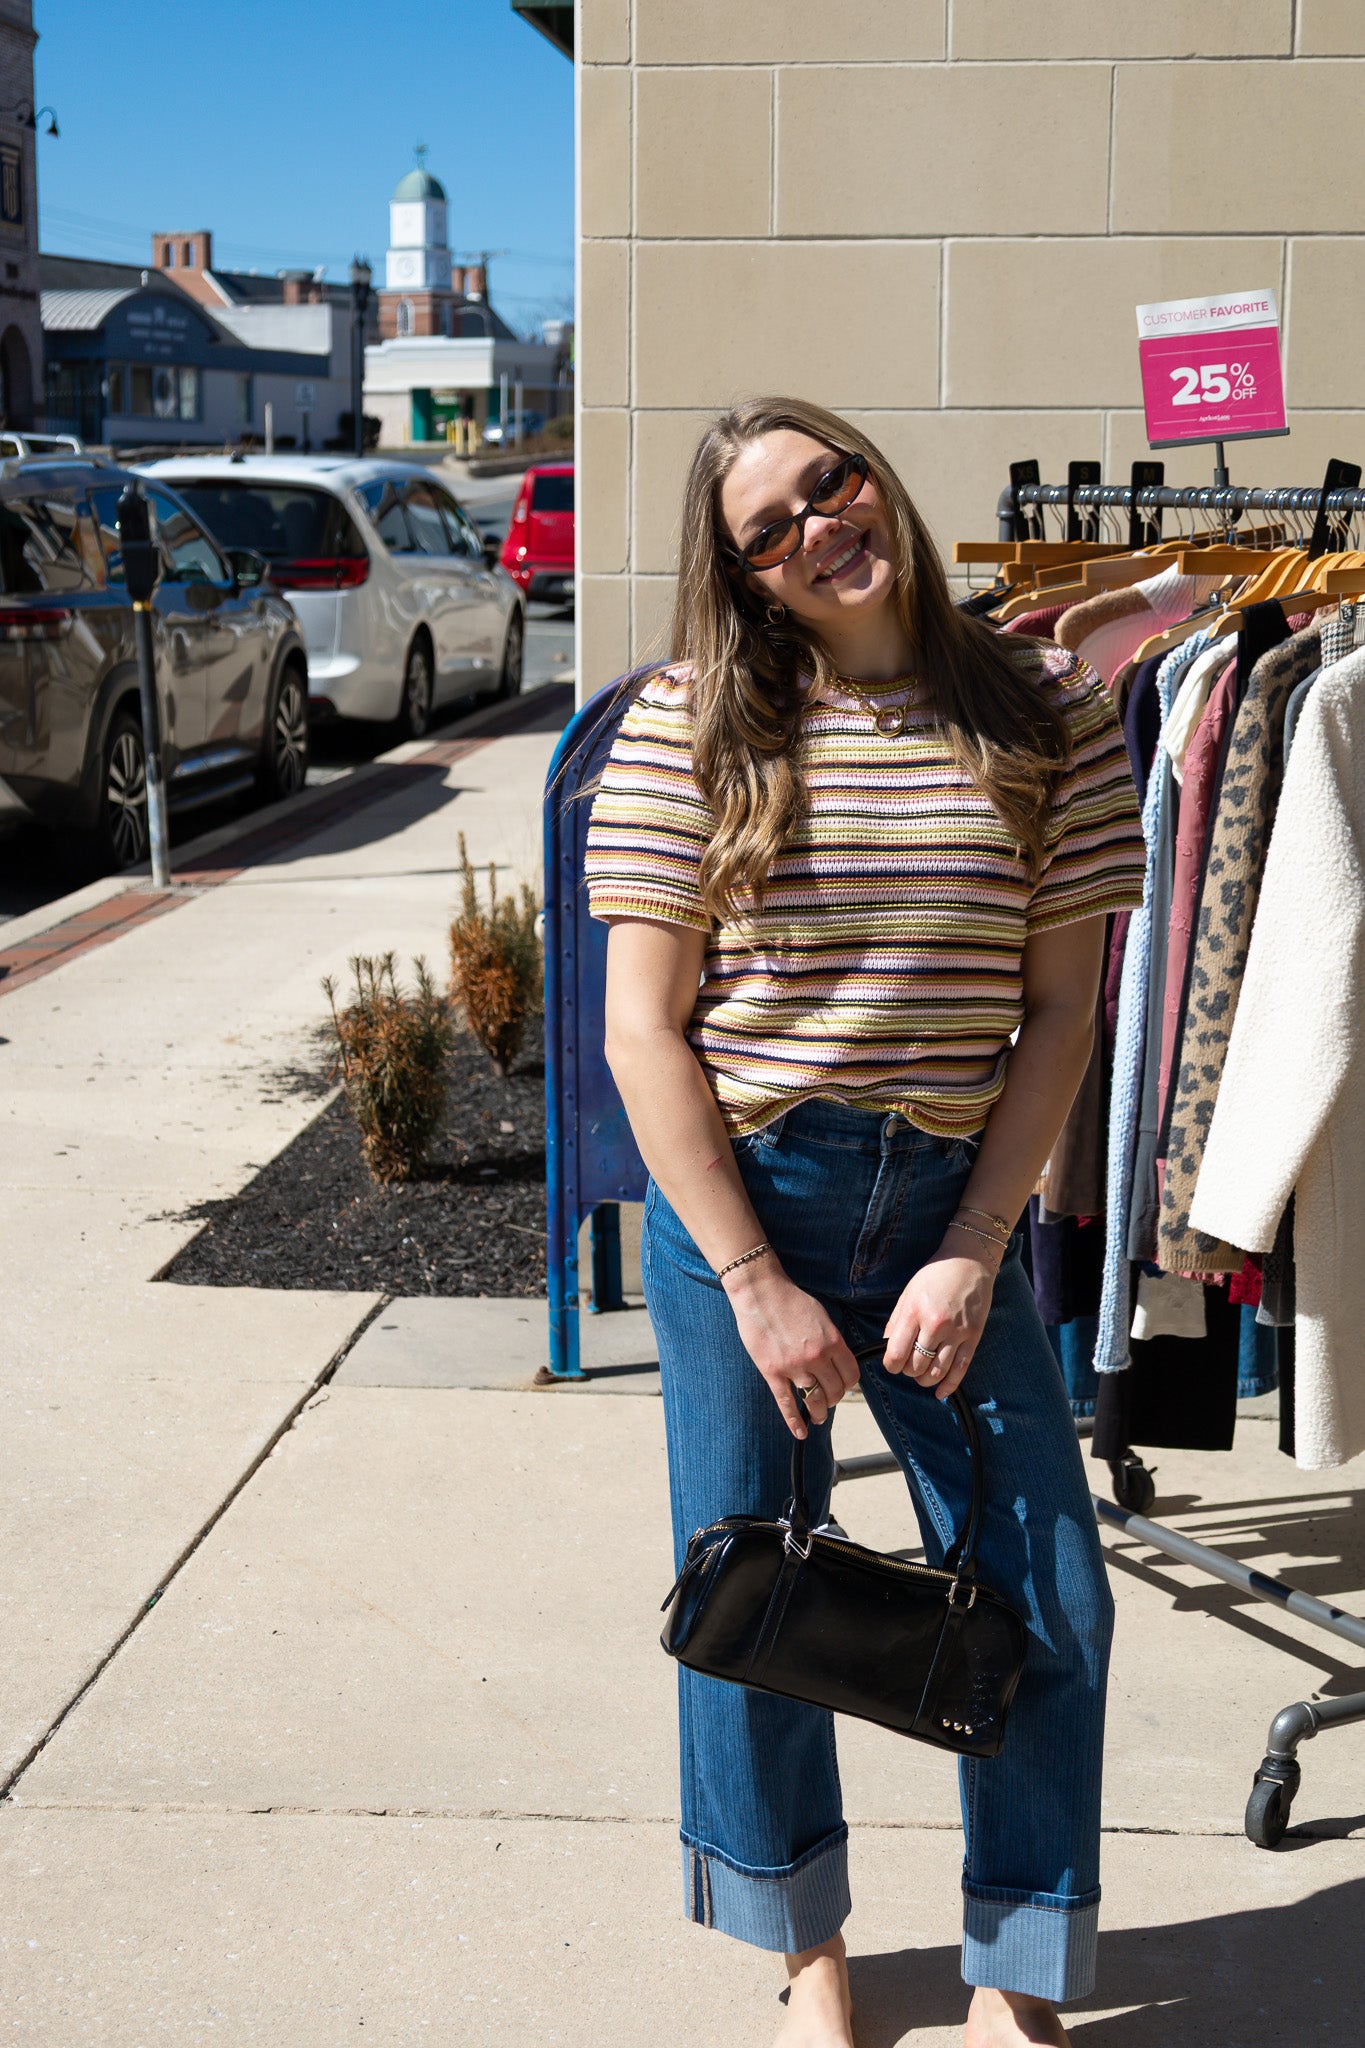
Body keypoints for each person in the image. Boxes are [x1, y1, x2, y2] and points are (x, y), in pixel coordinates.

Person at [583, 397, 1144, 2048]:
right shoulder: (690, 723)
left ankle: (1018, 1976)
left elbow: (1061, 1016)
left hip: (942, 1203)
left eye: (826, 482)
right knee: (751, 1582)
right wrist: (753, 1282)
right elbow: (639, 1031)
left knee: (1044, 1585)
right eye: (767, 526)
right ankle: (805, 1956)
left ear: (872, 475)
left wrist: (976, 1242)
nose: (817, 525)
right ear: (745, 578)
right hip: (744, 1201)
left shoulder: (1049, 711)